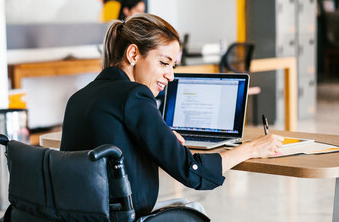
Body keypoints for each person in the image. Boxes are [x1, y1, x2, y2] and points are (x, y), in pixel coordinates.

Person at [60, 13, 284, 218]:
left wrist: (158, 134)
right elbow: (193, 173)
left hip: (81, 217)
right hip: (122, 217)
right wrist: (254, 148)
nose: (171, 75)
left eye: (173, 65)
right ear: (133, 54)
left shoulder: (79, 97)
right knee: (193, 210)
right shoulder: (135, 94)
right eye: (164, 63)